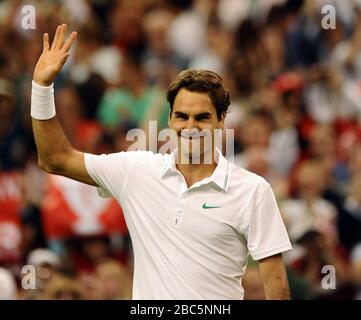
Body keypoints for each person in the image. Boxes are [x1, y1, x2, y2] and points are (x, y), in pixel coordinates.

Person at [31, 24, 292, 299]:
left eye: (202, 117)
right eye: (182, 116)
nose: (190, 126)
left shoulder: (253, 190)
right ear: (170, 119)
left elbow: (277, 288)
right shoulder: (137, 170)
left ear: (221, 121)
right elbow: (54, 159)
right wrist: (42, 87)